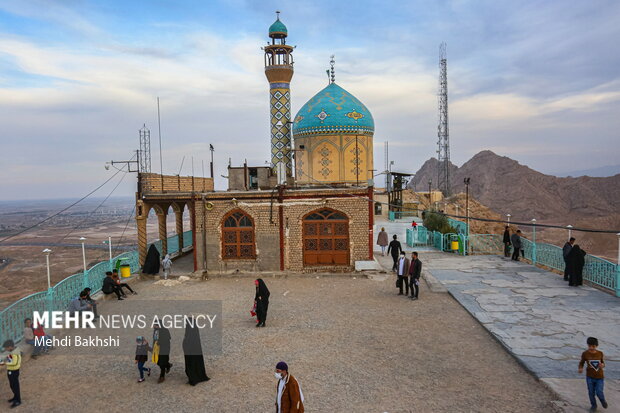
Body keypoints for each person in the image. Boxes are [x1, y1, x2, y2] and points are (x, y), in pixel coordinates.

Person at [579, 337, 608, 411]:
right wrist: (580, 368)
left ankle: (603, 401)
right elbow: (581, 362)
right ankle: (593, 406)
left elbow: (603, 363)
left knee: (599, 392)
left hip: (600, 377)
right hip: (589, 377)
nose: (591, 348)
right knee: (591, 393)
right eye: (589, 346)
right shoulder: (585, 353)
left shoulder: (600, 353)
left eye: (593, 346)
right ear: (588, 345)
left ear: (596, 346)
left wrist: (602, 365)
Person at [182, 318, 210, 386]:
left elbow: (188, 339)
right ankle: (197, 376)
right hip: (195, 350)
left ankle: (193, 378)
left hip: (190, 351)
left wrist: (185, 345)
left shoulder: (190, 329)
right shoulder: (194, 329)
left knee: (191, 364)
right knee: (196, 363)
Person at [1, 339, 21, 408]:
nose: (6, 349)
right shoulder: (12, 352)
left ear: (10, 347)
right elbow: (10, 358)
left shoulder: (15, 353)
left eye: (6, 348)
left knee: (15, 386)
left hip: (14, 371)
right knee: (12, 385)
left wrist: (5, 363)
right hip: (10, 371)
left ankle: (18, 400)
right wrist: (6, 359)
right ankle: (15, 397)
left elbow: (14, 362)